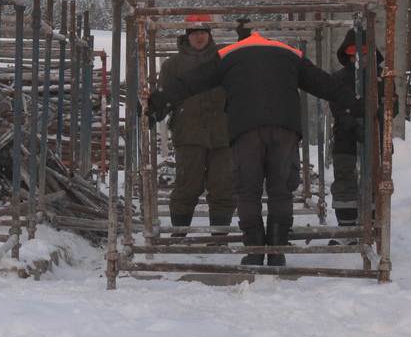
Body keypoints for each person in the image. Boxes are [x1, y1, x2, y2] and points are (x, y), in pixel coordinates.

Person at [147, 22, 361, 266]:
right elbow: (325, 84)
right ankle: (278, 251)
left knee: (248, 190)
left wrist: (157, 102)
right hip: (285, 129)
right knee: (281, 190)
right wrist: (358, 105)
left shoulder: (228, 55)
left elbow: (191, 82)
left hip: (245, 131)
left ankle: (255, 250)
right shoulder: (290, 54)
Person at [159, 14, 234, 237]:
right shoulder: (173, 65)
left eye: (203, 33)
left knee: (222, 185)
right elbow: (167, 96)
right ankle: (179, 233)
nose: (199, 37)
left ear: (209, 35)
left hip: (222, 133)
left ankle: (219, 235)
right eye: (194, 33)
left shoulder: (225, 60)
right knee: (186, 184)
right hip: (188, 133)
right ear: (187, 37)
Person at [328, 29, 396, 244]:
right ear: (347, 55)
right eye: (354, 53)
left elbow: (392, 107)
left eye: (365, 53)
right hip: (345, 139)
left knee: (377, 179)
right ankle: (347, 231)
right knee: (345, 181)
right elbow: (337, 107)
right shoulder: (338, 79)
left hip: (376, 138)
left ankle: (373, 226)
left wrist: (374, 119)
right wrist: (352, 123)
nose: (359, 58)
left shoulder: (383, 79)